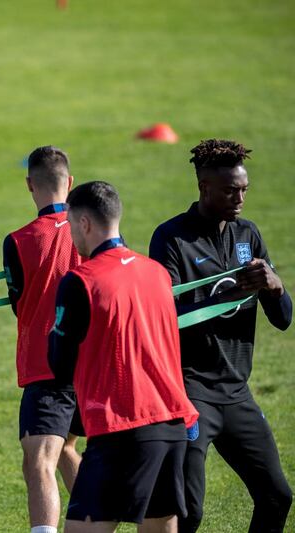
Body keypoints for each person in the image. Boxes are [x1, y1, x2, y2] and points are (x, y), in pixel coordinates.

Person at [149, 139, 292, 532]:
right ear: (204, 188)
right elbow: (166, 319)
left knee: (277, 496)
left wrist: (275, 287)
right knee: (189, 512)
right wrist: (233, 292)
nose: (240, 198)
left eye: (244, 189)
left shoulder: (248, 235)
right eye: (231, 190)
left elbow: (283, 321)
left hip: (236, 391)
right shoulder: (172, 239)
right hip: (190, 391)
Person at [48, 181, 199, 532]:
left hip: (122, 427)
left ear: (84, 223)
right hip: (171, 425)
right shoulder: (157, 273)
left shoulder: (80, 281)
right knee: (160, 525)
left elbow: (60, 364)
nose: (72, 236)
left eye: (71, 226)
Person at [2, 146, 82, 533]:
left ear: (30, 184)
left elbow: (19, 303)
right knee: (65, 448)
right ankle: (98, 523)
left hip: (46, 363)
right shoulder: (94, 229)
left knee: (38, 461)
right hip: (93, 362)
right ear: (70, 182)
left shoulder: (18, 241)